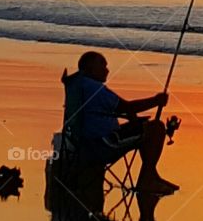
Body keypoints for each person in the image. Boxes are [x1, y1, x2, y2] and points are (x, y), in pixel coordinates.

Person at [74, 51, 178, 196]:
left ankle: (151, 176)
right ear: (90, 68)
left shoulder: (79, 84)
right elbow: (126, 107)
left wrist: (132, 117)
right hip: (104, 144)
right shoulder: (95, 88)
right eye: (102, 65)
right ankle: (147, 179)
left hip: (85, 144)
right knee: (156, 128)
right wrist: (156, 101)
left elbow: (116, 109)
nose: (107, 69)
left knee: (144, 128)